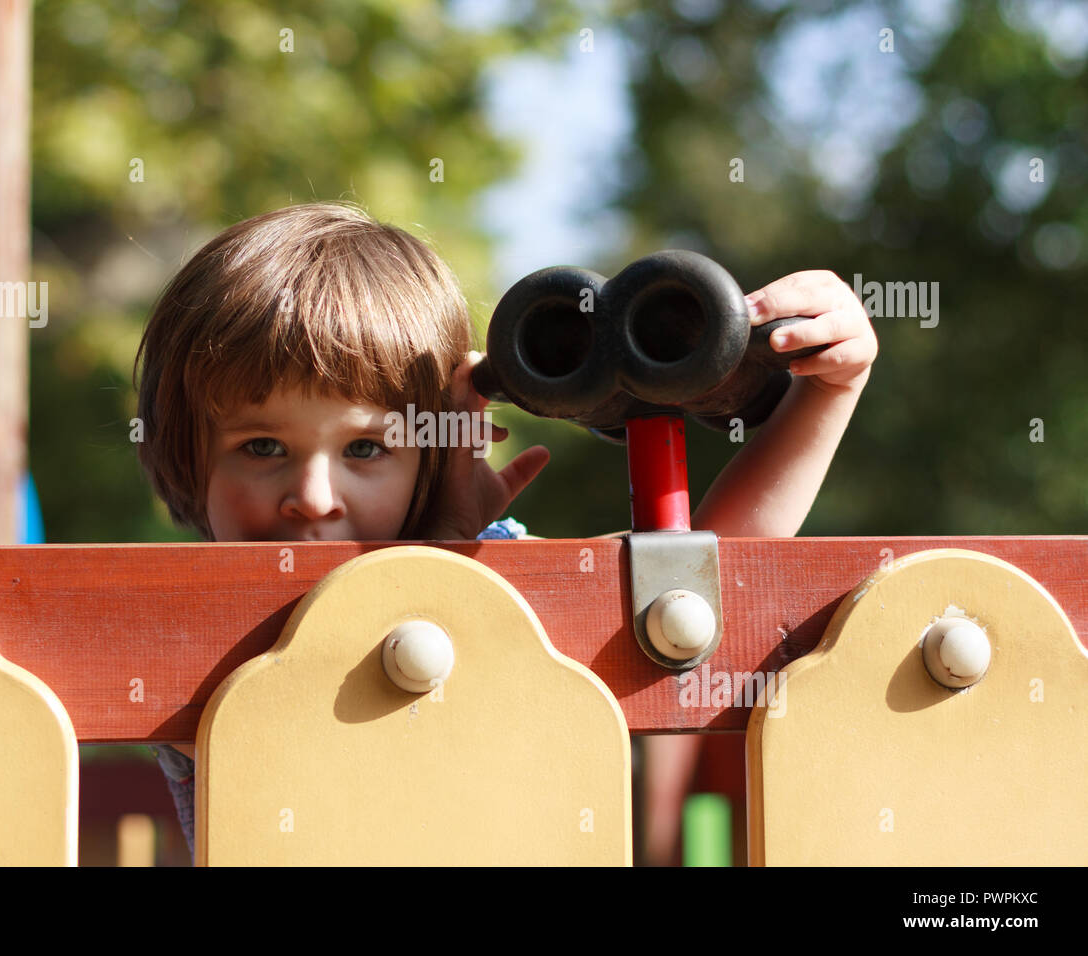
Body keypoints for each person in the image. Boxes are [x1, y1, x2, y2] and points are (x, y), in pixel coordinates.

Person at [132, 201, 877, 862]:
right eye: (263, 447)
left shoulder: (501, 577)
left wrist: (827, 393)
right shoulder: (186, 627)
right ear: (187, 455)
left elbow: (693, 593)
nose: (313, 497)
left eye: (365, 448)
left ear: (439, 444)